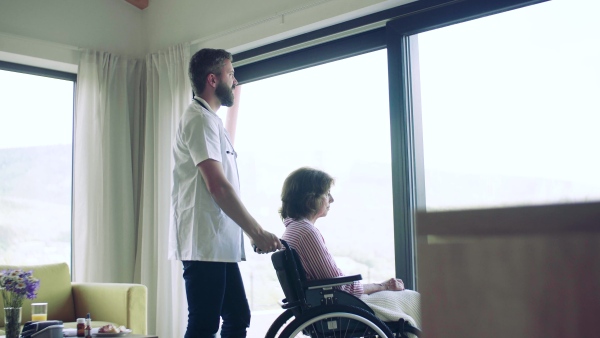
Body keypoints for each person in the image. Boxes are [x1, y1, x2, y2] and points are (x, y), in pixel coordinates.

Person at [169, 48, 282, 338]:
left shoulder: (212, 120)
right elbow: (217, 186)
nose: (235, 80)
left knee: (237, 316)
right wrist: (256, 231)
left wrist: (251, 233)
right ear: (212, 79)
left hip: (217, 244)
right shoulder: (199, 119)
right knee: (205, 324)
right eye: (230, 73)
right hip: (204, 243)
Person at [279, 167, 421, 328]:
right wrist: (383, 286)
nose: (331, 199)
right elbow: (341, 287)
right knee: (413, 299)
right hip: (336, 307)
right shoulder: (306, 232)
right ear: (310, 199)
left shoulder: (292, 230)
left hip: (327, 304)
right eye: (326, 194)